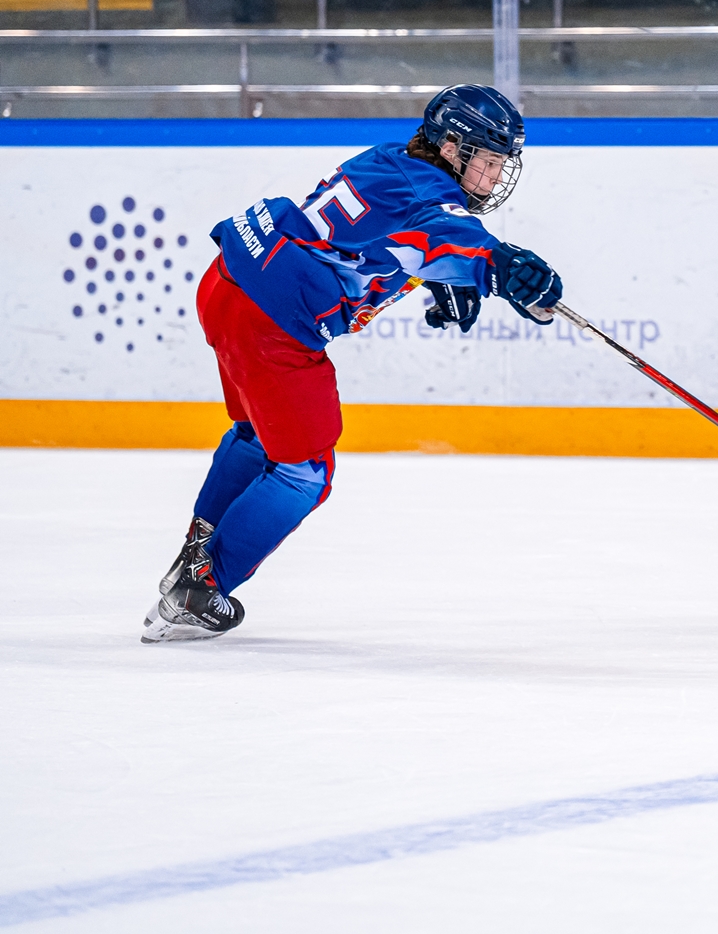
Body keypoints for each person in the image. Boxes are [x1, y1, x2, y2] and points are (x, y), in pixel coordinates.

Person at [143, 84, 565, 644]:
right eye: (487, 162)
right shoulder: (435, 198)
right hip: (273, 320)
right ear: (452, 147)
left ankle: (193, 560)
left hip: (228, 284)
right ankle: (201, 590)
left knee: (256, 436)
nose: (493, 178)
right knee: (304, 472)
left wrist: (434, 280)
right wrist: (507, 268)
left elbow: (380, 239)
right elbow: (460, 238)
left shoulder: (389, 157)